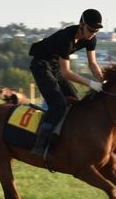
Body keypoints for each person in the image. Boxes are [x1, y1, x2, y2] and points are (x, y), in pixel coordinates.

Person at [28, 8, 106, 157]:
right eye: (90, 30)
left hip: (55, 66)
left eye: (96, 31)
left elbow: (93, 64)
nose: (93, 34)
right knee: (58, 103)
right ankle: (40, 144)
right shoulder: (66, 38)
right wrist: (91, 84)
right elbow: (66, 73)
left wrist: (103, 79)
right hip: (41, 65)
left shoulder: (91, 38)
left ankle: (62, 137)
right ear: (81, 24)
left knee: (75, 101)